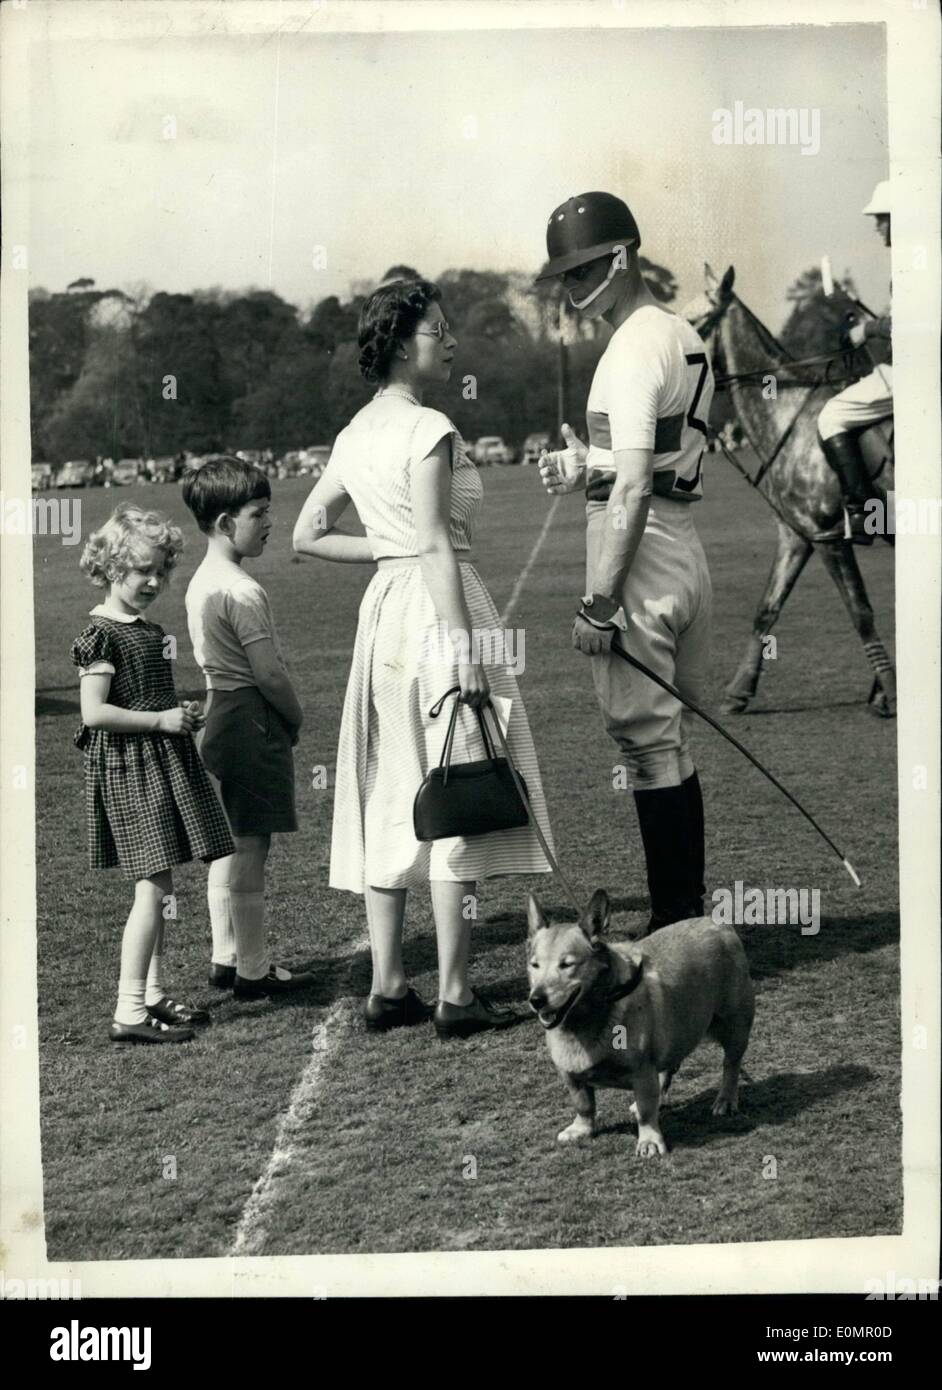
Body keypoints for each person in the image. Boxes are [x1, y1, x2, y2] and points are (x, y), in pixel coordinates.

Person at [293, 277, 555, 1039]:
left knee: (393, 787)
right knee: (457, 785)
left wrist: (391, 550)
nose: (452, 342)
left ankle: (388, 986)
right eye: (440, 331)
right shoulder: (429, 426)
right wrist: (467, 647)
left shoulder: (352, 433)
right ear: (406, 343)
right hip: (440, 612)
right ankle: (456, 994)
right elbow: (437, 541)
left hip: (384, 615)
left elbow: (307, 533)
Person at [536, 192, 713, 934]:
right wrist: (586, 465)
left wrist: (601, 600)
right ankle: (684, 915)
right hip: (682, 547)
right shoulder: (681, 332)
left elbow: (636, 484)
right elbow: (653, 460)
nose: (571, 293)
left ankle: (674, 925)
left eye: (581, 273)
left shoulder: (633, 345)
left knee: (645, 746)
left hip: (636, 556)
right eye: (563, 278)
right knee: (666, 743)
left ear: (621, 258)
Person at [71, 503, 235, 1044]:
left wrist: (178, 713)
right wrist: (159, 719)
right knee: (152, 886)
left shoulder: (150, 630)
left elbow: (146, 696)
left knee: (162, 883)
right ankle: (129, 1011)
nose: (155, 581)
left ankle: (152, 994)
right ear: (112, 568)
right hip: (129, 768)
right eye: (143, 571)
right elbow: (94, 714)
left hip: (158, 759)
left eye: (162, 571)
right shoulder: (101, 635)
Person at [182, 457, 314, 1000]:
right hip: (249, 716)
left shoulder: (201, 582)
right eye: (258, 513)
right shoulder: (241, 590)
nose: (269, 523)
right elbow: (268, 673)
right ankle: (253, 970)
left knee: (230, 844)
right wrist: (295, 715)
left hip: (218, 713)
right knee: (251, 846)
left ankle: (226, 956)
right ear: (223, 523)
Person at [817, 179, 893, 544]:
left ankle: (866, 513)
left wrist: (867, 330)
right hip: (903, 371)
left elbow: (904, 325)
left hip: (909, 375)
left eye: (882, 218)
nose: (876, 226)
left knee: (831, 415)